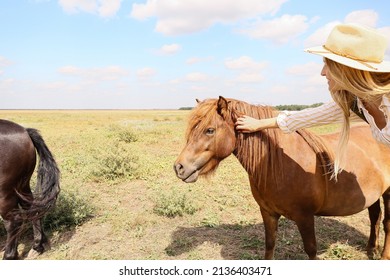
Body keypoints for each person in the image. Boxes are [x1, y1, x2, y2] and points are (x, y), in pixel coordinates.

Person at [235, 23, 390, 177]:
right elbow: (303, 117)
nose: (322, 73)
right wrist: (258, 124)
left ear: (347, 70)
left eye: (327, 65)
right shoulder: (354, 103)